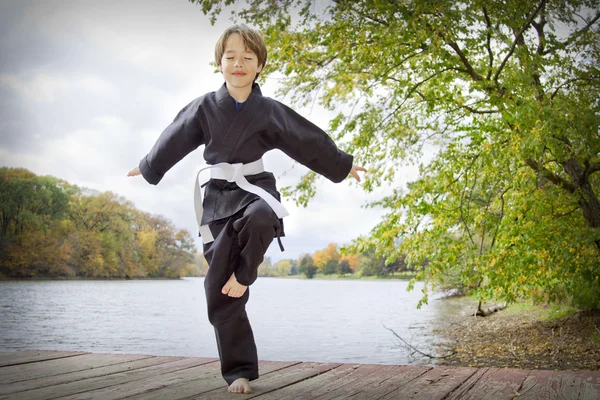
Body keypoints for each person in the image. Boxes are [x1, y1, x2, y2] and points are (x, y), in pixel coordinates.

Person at [127, 24, 366, 394]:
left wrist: (340, 163)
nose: (238, 63)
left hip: (256, 191)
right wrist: (149, 166)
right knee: (218, 290)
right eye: (231, 57)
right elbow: (175, 136)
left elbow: (305, 139)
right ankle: (238, 371)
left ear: (259, 66)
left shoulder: (268, 111)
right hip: (218, 201)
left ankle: (246, 274)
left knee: (259, 217)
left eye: (247, 58)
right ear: (219, 63)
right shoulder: (205, 108)